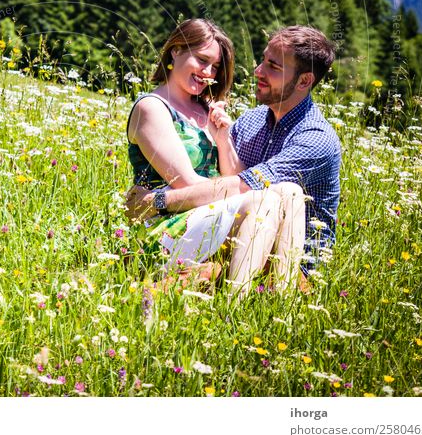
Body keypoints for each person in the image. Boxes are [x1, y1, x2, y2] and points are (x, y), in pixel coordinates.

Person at [127, 24, 341, 284]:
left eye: (273, 67)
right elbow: (225, 186)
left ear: (304, 81)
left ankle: (269, 300)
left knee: (286, 193)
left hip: (293, 262)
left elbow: (241, 184)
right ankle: (236, 303)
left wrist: (156, 199)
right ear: (175, 51)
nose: (258, 71)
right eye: (262, 60)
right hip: (195, 225)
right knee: (267, 199)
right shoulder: (248, 122)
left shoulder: (315, 139)